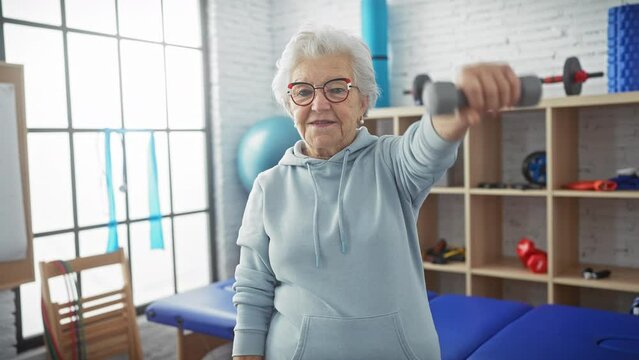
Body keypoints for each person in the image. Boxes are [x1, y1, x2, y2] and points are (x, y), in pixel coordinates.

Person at [232, 26, 520, 360]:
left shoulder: (393, 163)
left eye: (337, 89)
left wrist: (455, 106)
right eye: (303, 91)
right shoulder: (269, 187)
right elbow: (253, 288)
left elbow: (427, 144)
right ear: (289, 102)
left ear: (363, 101)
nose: (319, 104)